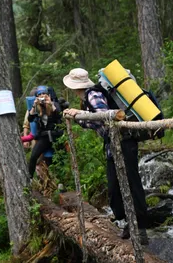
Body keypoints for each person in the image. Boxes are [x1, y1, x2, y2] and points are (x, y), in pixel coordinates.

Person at [62, 68, 149, 245]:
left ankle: (140, 229)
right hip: (114, 145)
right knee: (114, 188)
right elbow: (94, 121)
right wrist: (79, 117)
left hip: (124, 142)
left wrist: (79, 115)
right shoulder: (87, 97)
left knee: (132, 183)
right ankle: (127, 223)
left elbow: (105, 116)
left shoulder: (92, 94)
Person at [28, 85, 63, 178]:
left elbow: (59, 115)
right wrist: (34, 105)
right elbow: (30, 119)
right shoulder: (37, 107)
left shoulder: (54, 104)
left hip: (55, 135)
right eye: (40, 94)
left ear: (48, 95)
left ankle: (61, 182)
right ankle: (29, 179)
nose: (42, 96)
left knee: (59, 159)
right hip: (44, 137)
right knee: (33, 157)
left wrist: (50, 103)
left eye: (44, 94)